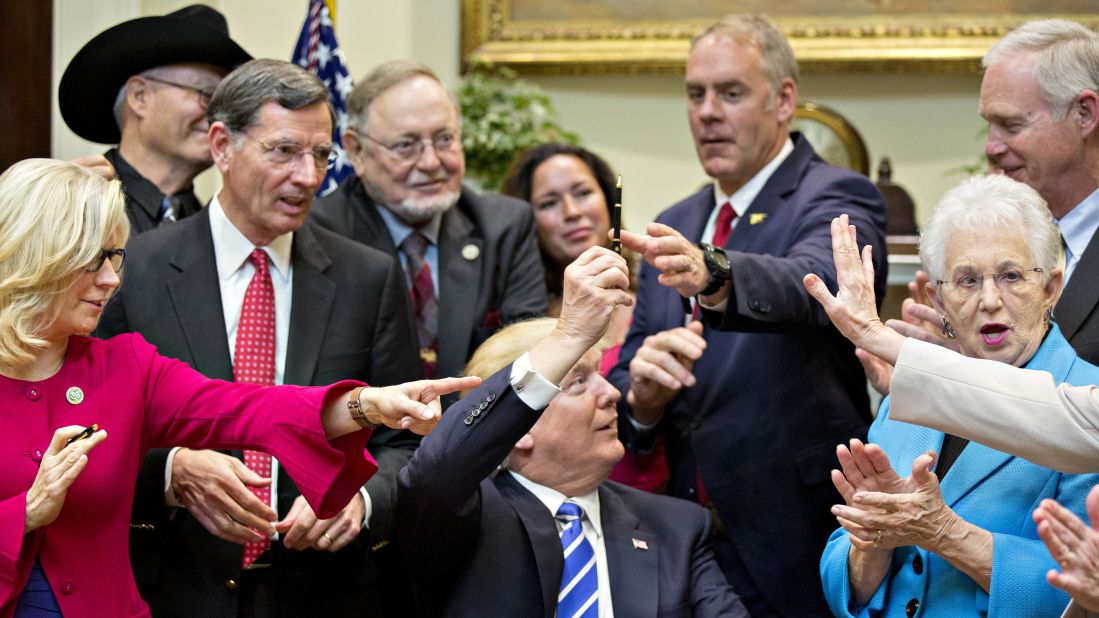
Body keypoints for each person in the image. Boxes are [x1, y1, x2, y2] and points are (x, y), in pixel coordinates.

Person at [0, 158, 476, 617]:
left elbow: (250, 409)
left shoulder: (125, 366)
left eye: (115, 257)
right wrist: (23, 515)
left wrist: (369, 404)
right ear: (36, 256)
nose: (110, 279)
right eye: (92, 260)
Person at [95, 59, 422, 617]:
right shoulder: (132, 271)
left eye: (321, 155)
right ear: (222, 145)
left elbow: (405, 440)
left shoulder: (368, 277)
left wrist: (363, 502)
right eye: (284, 151)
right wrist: (172, 470)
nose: (308, 176)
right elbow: (83, 430)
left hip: (323, 592)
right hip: (170, 588)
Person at [610, 15, 888, 616]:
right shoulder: (675, 218)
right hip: (685, 537)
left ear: (783, 99)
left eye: (730, 93)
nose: (707, 112)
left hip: (796, 537)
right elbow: (627, 376)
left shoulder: (838, 193)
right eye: (695, 94)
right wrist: (643, 397)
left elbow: (819, 285)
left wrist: (715, 272)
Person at [395, 245, 749, 617]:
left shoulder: (677, 527)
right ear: (517, 426)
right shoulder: (466, 516)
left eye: (600, 376)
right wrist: (568, 335)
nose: (613, 393)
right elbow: (433, 476)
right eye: (578, 382)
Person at [808, 174, 1099, 615]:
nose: (989, 300)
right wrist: (871, 543)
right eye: (965, 280)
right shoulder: (908, 398)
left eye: (1011, 275)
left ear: (1051, 289)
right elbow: (839, 577)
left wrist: (943, 533)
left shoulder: (1084, 402)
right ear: (937, 299)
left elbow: (1081, 592)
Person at [311, 60, 547, 382]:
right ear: (357, 151)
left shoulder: (504, 227)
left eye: (444, 139)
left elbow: (524, 364)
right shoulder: (319, 233)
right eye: (405, 145)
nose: (431, 162)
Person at [887, 19, 1099, 372]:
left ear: (1085, 113)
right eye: (989, 126)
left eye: (1011, 126)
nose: (991, 148)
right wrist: (943, 380)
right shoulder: (1020, 233)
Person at [501, 142, 667, 492]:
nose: (572, 211)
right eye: (549, 203)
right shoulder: (519, 320)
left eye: (583, 193)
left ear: (609, 201)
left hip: (662, 499)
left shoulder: (659, 299)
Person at [58, 4, 251, 234]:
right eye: (207, 95)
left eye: (228, 104)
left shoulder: (218, 229)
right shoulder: (75, 210)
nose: (221, 118)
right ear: (140, 97)